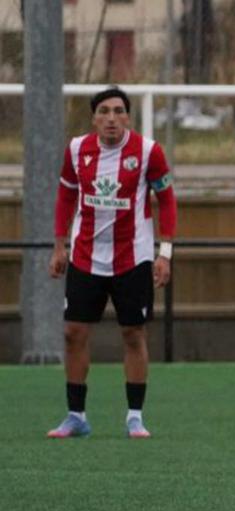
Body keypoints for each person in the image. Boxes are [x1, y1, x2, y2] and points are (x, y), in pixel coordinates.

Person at [47, 86, 177, 439]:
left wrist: (165, 253)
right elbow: (65, 196)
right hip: (86, 256)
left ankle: (135, 416)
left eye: (119, 111)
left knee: (133, 333)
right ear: (94, 117)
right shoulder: (76, 149)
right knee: (73, 332)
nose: (111, 118)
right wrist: (59, 246)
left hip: (132, 257)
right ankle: (76, 416)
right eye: (104, 111)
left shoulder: (148, 152)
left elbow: (166, 201)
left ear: (128, 117)